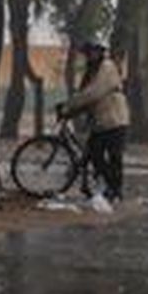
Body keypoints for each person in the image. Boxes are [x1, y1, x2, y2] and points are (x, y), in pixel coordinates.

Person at [57, 41, 130, 203]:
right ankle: (107, 186)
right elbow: (85, 96)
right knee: (95, 154)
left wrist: (69, 104)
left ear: (100, 52)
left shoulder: (107, 67)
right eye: (87, 53)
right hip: (101, 121)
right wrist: (69, 111)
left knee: (114, 157)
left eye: (92, 52)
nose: (89, 55)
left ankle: (115, 190)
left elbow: (93, 93)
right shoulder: (91, 71)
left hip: (115, 119)